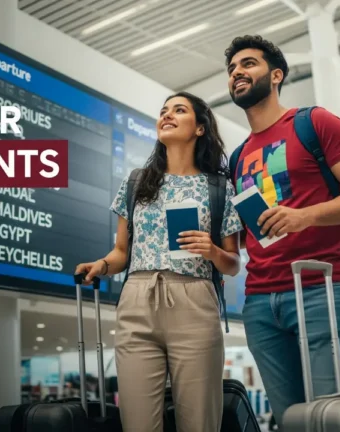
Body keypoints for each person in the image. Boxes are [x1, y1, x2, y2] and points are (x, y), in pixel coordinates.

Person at [223, 35, 340, 422]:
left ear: (276, 75)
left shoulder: (314, 123)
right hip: (259, 301)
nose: (237, 73)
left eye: (248, 64)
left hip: (319, 285)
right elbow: (253, 231)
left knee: (331, 415)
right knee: (291, 419)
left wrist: (304, 216)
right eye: (231, 69)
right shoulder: (238, 155)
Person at [75, 91, 243, 432]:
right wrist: (101, 266)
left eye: (179, 111)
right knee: (137, 424)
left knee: (199, 422)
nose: (167, 115)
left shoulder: (220, 187)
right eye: (164, 111)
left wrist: (211, 251)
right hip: (137, 300)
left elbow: (233, 263)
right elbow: (122, 251)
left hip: (195, 302)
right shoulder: (137, 182)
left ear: (200, 128)